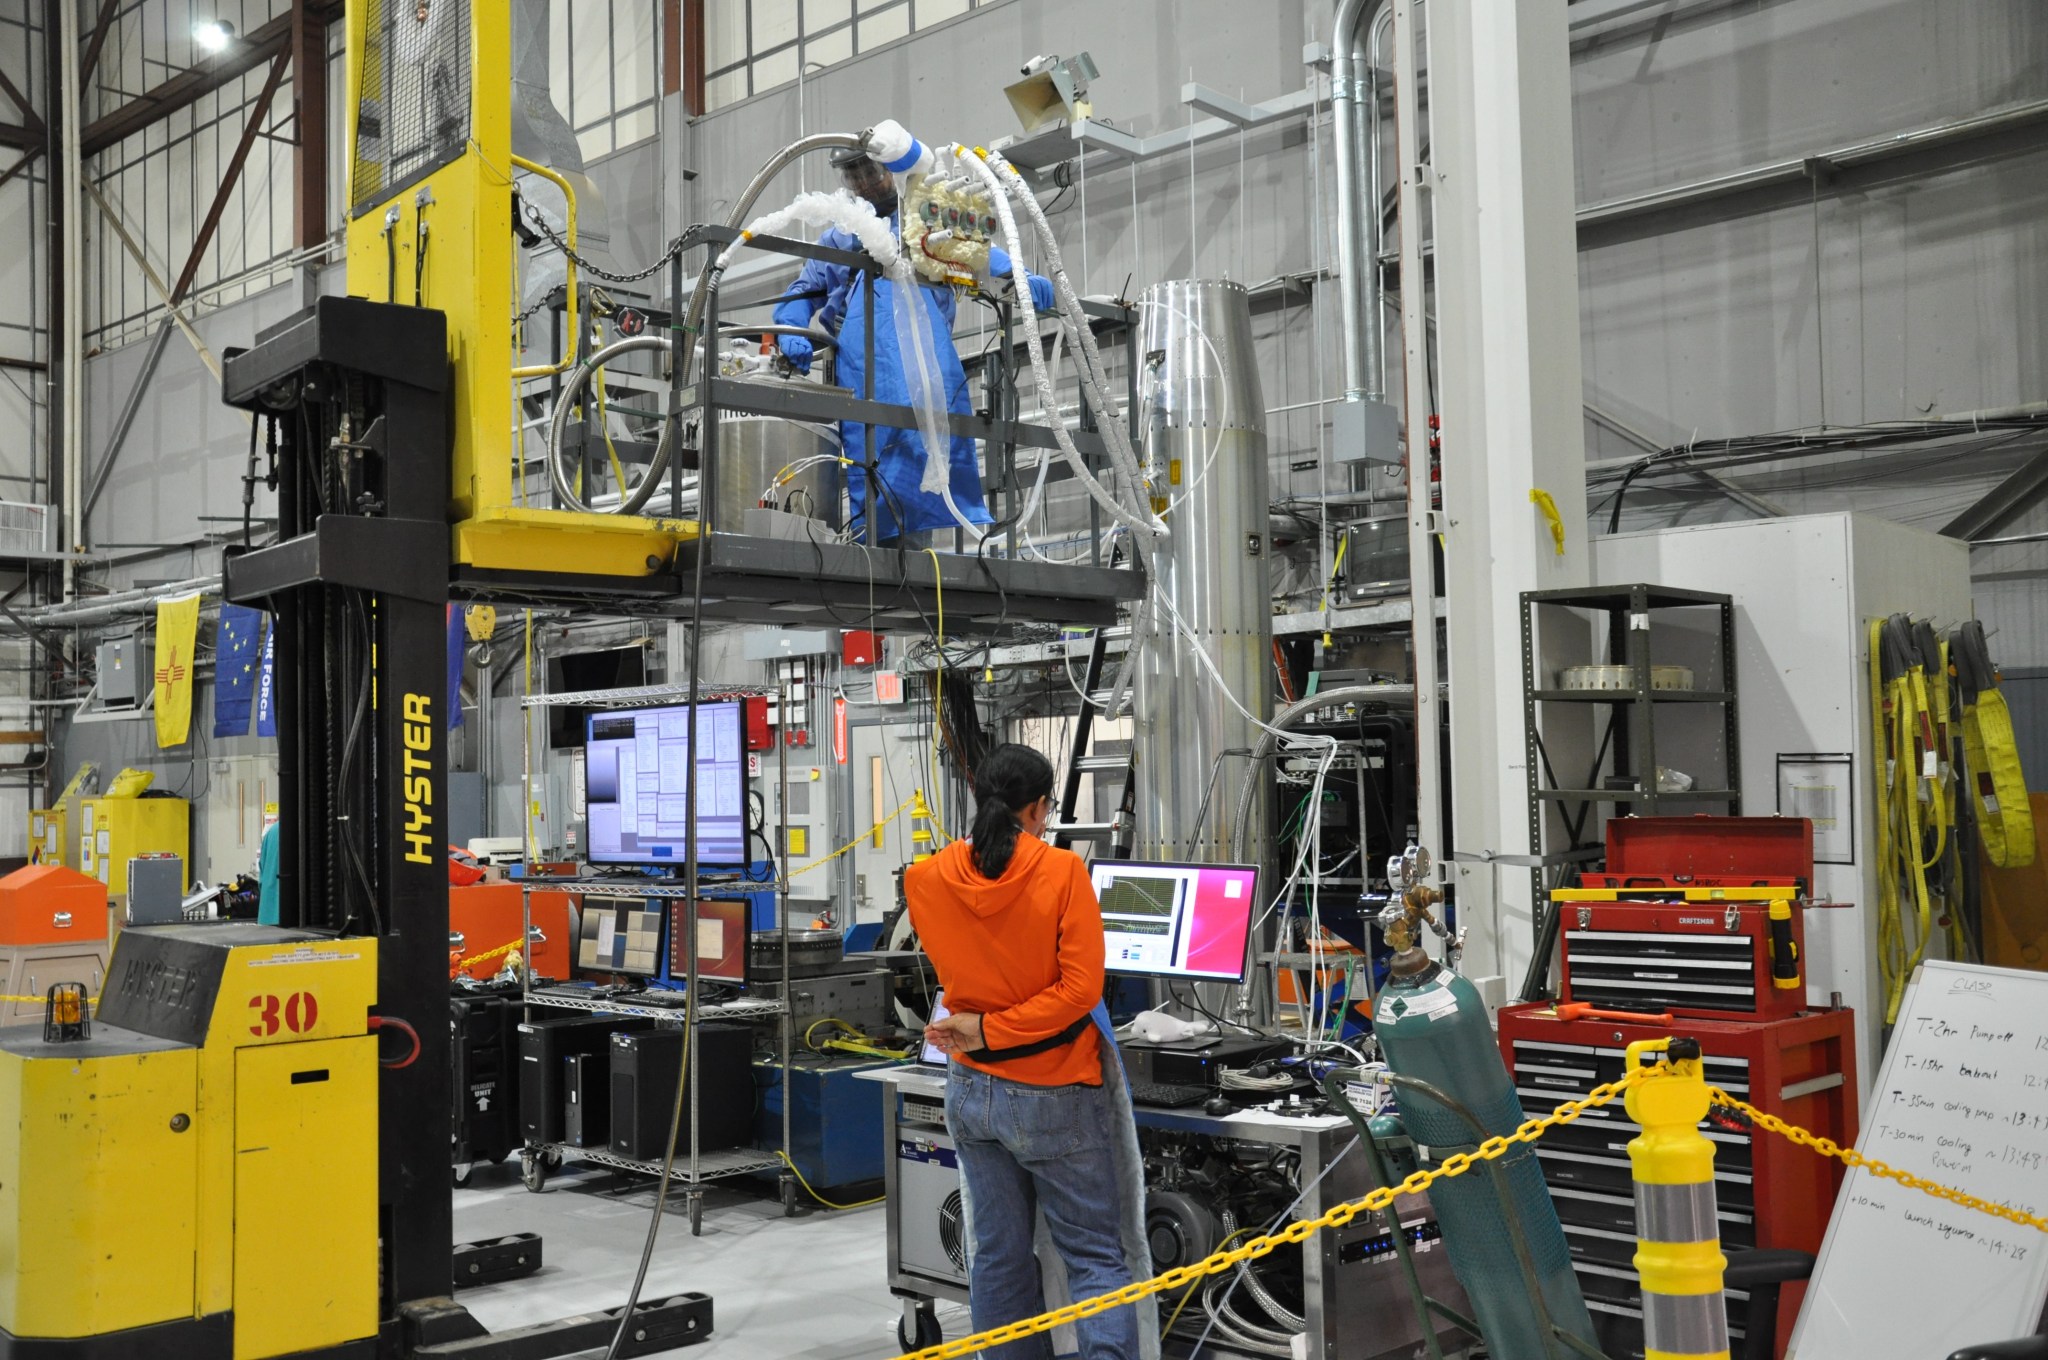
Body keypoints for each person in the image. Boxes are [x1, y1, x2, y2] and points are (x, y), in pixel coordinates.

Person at [906, 744, 1148, 1360]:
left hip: (971, 1094)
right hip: (1055, 1090)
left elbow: (962, 976)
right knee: (1094, 1256)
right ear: (1039, 807)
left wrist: (980, 1028)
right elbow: (1079, 991)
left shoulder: (924, 878)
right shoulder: (1062, 872)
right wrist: (993, 1029)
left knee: (998, 1255)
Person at [770, 147, 1056, 546]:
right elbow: (803, 293)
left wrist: (1021, 277)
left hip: (926, 366)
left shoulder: (926, 221)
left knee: (929, 467)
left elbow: (975, 251)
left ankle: (915, 561)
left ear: (895, 170)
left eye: (872, 172)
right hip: (862, 370)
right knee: (875, 472)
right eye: (853, 177)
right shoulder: (839, 237)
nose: (865, 184)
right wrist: (792, 328)